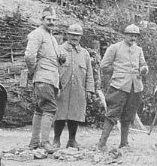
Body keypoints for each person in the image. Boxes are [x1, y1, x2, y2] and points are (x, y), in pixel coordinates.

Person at [98, 23, 148, 150]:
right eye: (131, 35)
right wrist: (117, 71)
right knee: (112, 114)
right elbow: (104, 65)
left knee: (129, 115)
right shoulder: (115, 48)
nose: (133, 38)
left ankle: (124, 143)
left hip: (135, 87)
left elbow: (143, 65)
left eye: (135, 36)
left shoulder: (139, 50)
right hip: (118, 86)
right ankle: (102, 143)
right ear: (125, 35)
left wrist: (143, 69)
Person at [20, 10, 64, 151]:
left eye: (53, 20)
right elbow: (29, 56)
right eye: (48, 19)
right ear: (42, 19)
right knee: (50, 108)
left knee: (40, 109)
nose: (51, 22)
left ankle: (34, 143)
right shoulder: (37, 34)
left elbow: (51, 57)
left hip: (51, 78)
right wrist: (34, 71)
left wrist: (60, 59)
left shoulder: (51, 37)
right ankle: (45, 142)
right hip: (43, 78)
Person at [52, 22, 99, 150]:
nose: (74, 38)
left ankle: (72, 140)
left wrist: (90, 90)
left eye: (77, 36)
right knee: (60, 114)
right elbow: (54, 70)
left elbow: (89, 73)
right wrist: (55, 87)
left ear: (81, 37)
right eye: (72, 35)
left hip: (79, 89)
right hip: (63, 88)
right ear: (67, 35)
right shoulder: (59, 50)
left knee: (75, 115)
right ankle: (56, 140)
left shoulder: (84, 54)